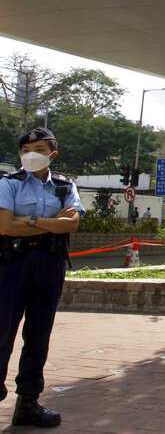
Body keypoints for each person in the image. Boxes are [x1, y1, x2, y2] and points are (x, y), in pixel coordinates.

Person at [0, 127, 84, 427]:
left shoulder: (64, 187)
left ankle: (28, 403)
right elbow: (6, 227)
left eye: (38, 149)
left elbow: (71, 225)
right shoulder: (8, 184)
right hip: (11, 265)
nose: (30, 155)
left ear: (52, 153)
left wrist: (30, 220)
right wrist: (51, 223)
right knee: (2, 332)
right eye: (25, 150)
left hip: (49, 265)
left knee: (38, 335)